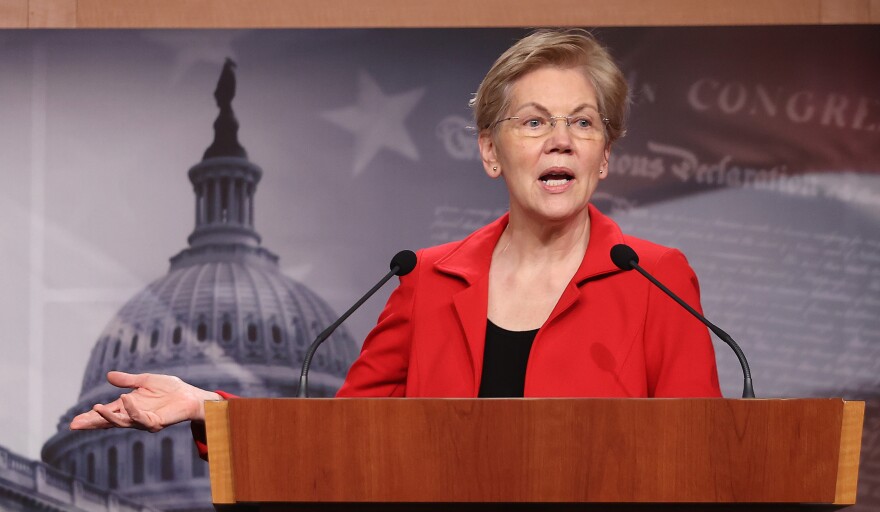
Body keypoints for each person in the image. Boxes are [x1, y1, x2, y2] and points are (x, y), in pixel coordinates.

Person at [70, 28, 721, 436]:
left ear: (604, 156)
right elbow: (347, 438)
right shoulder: (427, 281)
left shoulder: (656, 279)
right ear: (491, 152)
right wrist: (205, 408)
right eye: (533, 122)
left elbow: (703, 460)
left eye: (583, 123)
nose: (560, 140)